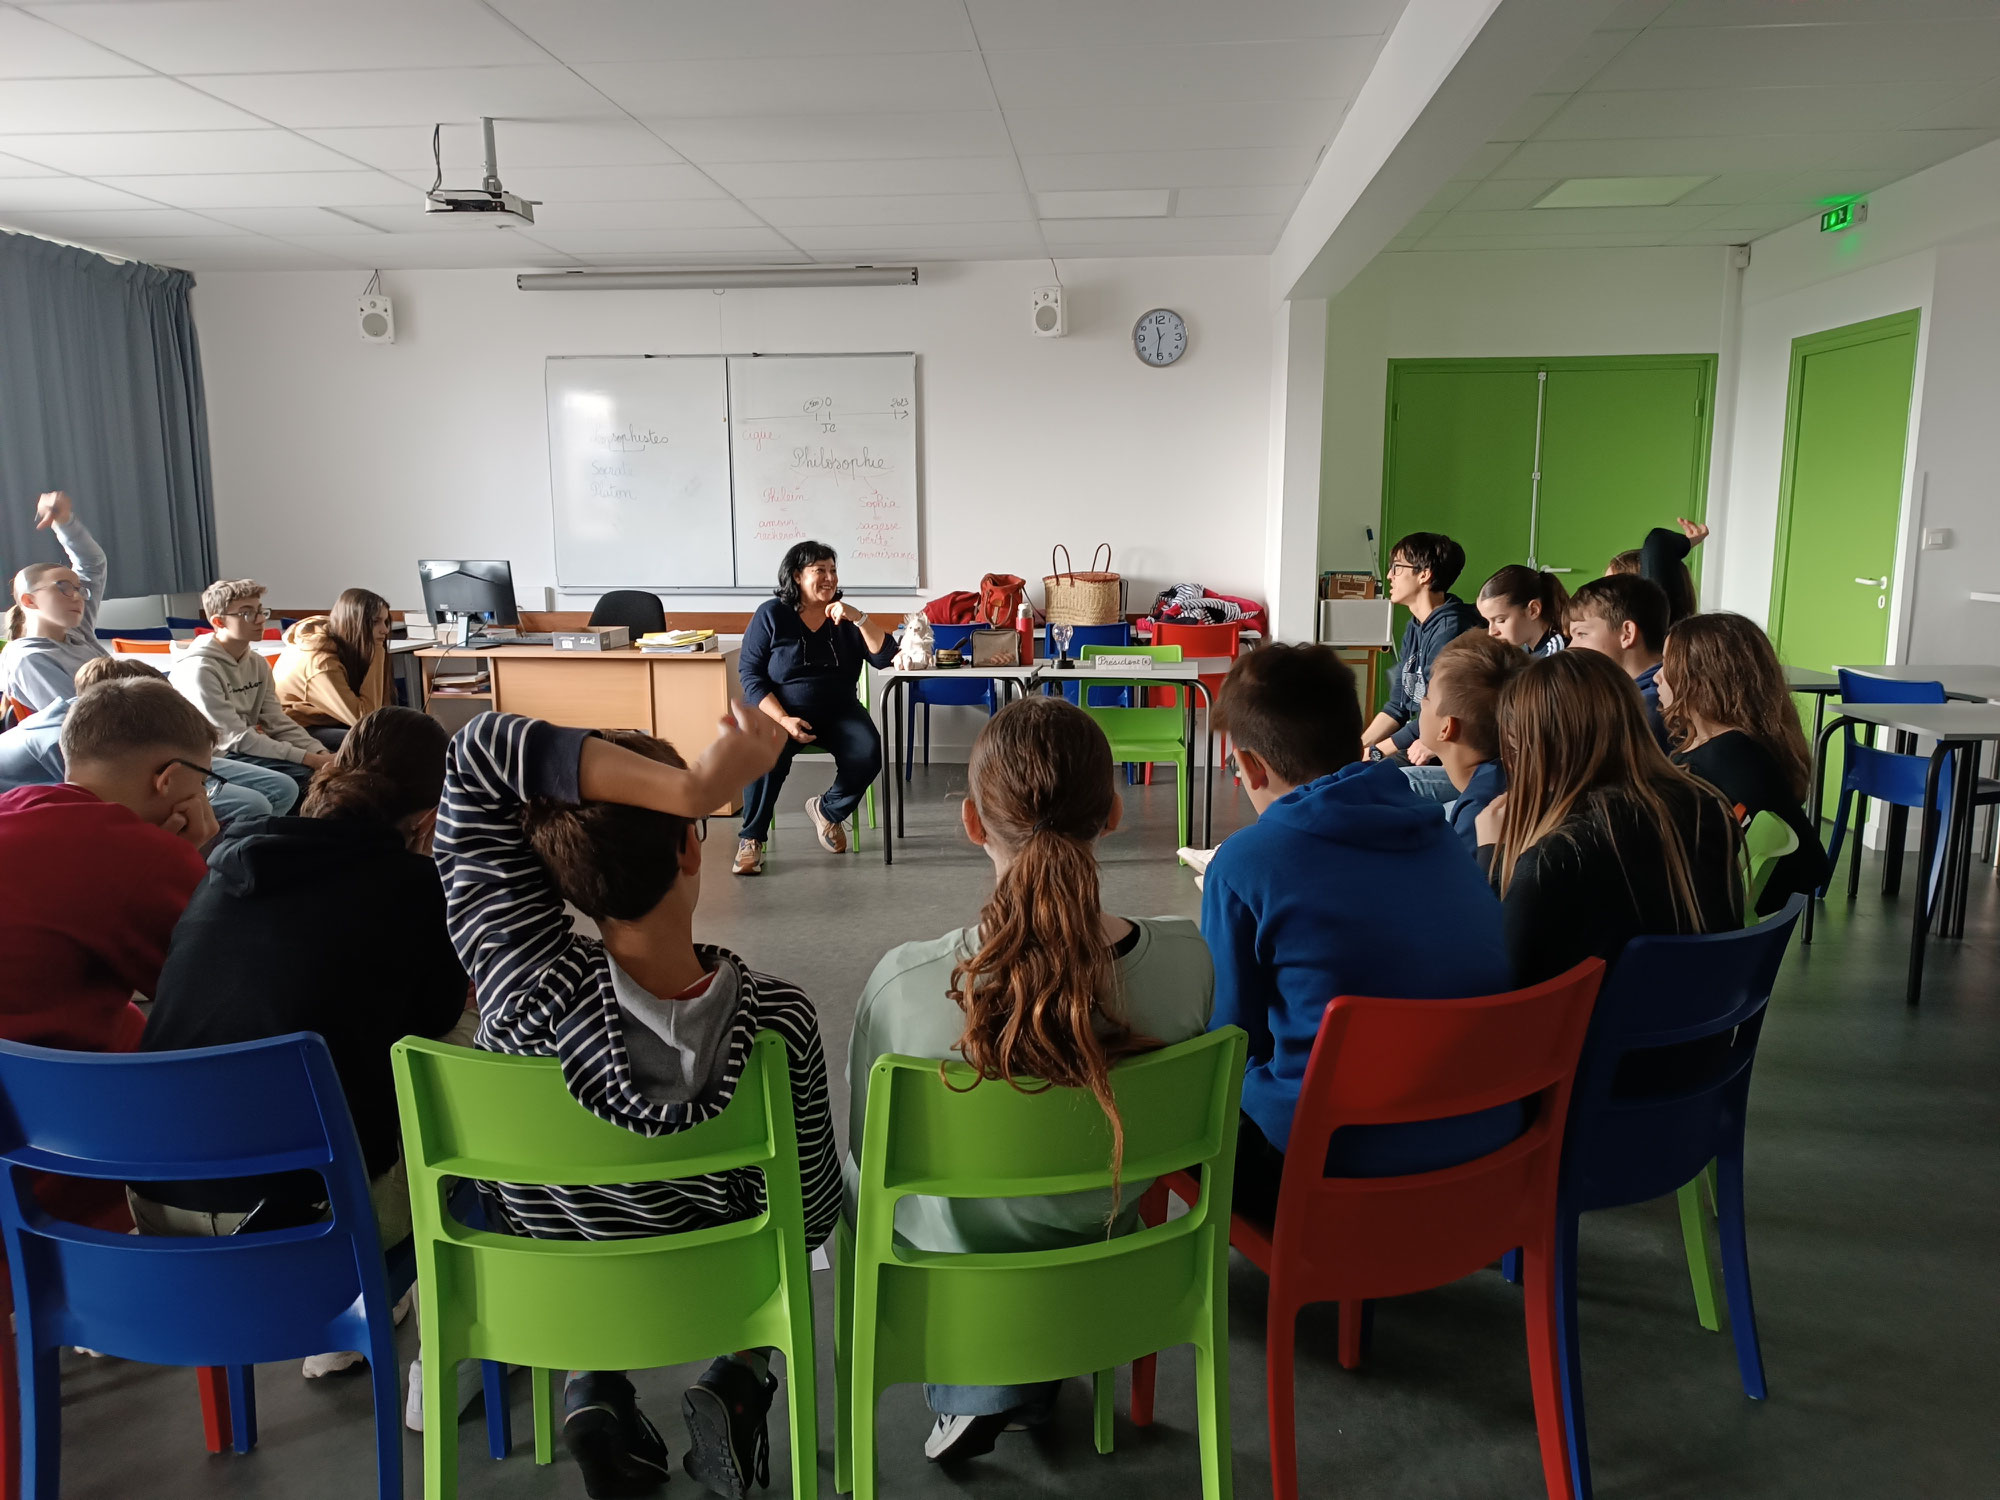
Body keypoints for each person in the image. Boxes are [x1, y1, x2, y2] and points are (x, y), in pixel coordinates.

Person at [437, 704, 833, 1500]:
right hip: (724, 1290)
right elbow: (811, 1213)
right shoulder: (776, 1020)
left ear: (553, 872)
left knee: (573, 1211)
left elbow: (478, 754)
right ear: (694, 844)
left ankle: (593, 1386)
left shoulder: (520, 996)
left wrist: (688, 786)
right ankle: (741, 1378)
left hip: (556, 1287)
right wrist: (691, 788)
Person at [847, 695, 1213, 1465]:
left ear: (974, 824)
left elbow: (866, 1162)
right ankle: (1028, 1369)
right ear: (1113, 814)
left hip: (953, 1286)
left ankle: (978, 1380)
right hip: (1113, 1258)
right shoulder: (1187, 962)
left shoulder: (905, 982)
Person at [134, 707, 470, 1376]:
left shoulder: (230, 858)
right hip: (311, 1214)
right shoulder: (414, 887)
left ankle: (346, 1321)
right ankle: (443, 1364)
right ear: (429, 817)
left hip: (160, 1202)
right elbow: (432, 1027)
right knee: (465, 1051)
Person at [1203, 644, 1514, 1222]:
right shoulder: (1440, 831)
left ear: (1248, 766)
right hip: (1485, 1157)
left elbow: (1227, 1042)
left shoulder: (1246, 862)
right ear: (1356, 735)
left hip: (1335, 1179)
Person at [0, 677, 217, 1229]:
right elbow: (213, 992)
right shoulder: (140, 857)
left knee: (127, 1022)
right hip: (44, 1135)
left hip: (16, 1067)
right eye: (206, 782)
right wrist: (188, 858)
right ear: (169, 779)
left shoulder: (16, 805)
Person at [1476, 649, 1742, 987]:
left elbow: (1496, 978)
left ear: (1540, 749)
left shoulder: (1556, 857)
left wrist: (1489, 855)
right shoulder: (1707, 807)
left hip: (1592, 1038)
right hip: (1704, 1031)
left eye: (1514, 749)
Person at [733, 541, 899, 874]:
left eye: (833, 570)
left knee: (868, 752)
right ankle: (751, 839)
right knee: (765, 754)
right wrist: (783, 718)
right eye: (819, 570)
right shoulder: (772, 614)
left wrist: (858, 617)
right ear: (796, 576)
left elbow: (886, 657)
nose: (829, 578)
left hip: (840, 710)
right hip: (783, 712)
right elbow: (750, 675)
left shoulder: (844, 618)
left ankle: (828, 811)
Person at [1660, 612, 1831, 915]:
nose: (1658, 676)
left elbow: (1809, 863)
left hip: (1696, 924)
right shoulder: (1746, 746)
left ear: (1701, 681)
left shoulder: (1726, 757)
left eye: (1667, 666)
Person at [0, 655, 301, 821]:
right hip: (77, 791)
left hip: (144, 755)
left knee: (281, 786)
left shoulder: (110, 717)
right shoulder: (64, 742)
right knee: (250, 804)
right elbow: (105, 813)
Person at [170, 578, 331, 794]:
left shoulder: (257, 663)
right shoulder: (199, 670)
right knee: (303, 778)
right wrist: (309, 759)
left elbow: (276, 721)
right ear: (218, 622)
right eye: (247, 613)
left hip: (242, 747)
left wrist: (320, 754)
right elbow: (233, 738)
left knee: (327, 770)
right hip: (210, 758)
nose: (259, 620)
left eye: (261, 611)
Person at [1358, 531, 1481, 804]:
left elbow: (1439, 711)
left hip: (1443, 744)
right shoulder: (1416, 625)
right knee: (1349, 771)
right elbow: (1398, 706)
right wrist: (1361, 745)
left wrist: (1376, 752)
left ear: (1424, 574)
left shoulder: (1451, 629)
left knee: (1363, 785)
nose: (1389, 576)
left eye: (1397, 567)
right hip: (1417, 737)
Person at [2, 490, 111, 712]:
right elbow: (83, 718)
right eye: (64, 588)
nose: (79, 596)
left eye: (79, 589)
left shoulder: (76, 632)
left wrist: (64, 521)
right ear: (30, 601)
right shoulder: (29, 658)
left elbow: (92, 563)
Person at [1418, 632, 1526, 855]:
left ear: (1446, 728)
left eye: (1427, 697)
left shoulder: (1476, 815)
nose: (1421, 702)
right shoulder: (1506, 774)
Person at [274, 587, 396, 750]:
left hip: (332, 719)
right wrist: (378, 653)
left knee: (409, 731)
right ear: (354, 623)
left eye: (385, 622)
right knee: (379, 744)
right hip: (298, 728)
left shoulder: (343, 643)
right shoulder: (320, 663)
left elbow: (377, 712)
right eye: (375, 622)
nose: (385, 630)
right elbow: (364, 719)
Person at [1566, 572, 1672, 749]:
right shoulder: (1629, 697)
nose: (1570, 647)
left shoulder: (1647, 708)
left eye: (1582, 634)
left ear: (1627, 634)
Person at [1608, 517, 1708, 626]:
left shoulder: (1654, 629)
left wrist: (1686, 543)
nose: (1600, 593)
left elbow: (1658, 542)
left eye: (1610, 588)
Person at [1476, 564, 1568, 656]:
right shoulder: (1527, 648)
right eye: (1488, 621)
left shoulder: (1556, 656)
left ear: (1533, 610)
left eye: (1500, 620)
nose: (1491, 632)